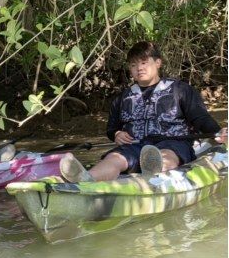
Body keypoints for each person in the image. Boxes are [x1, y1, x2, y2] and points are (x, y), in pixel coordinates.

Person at [60, 41, 227, 182]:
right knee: (115, 158)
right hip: (135, 145)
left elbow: (200, 118)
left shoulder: (181, 90)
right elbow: (112, 128)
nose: (139, 68)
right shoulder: (122, 98)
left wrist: (217, 132)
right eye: (133, 65)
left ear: (158, 63)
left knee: (165, 155)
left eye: (144, 62)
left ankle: (153, 177)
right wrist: (117, 133)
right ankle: (86, 178)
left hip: (173, 143)